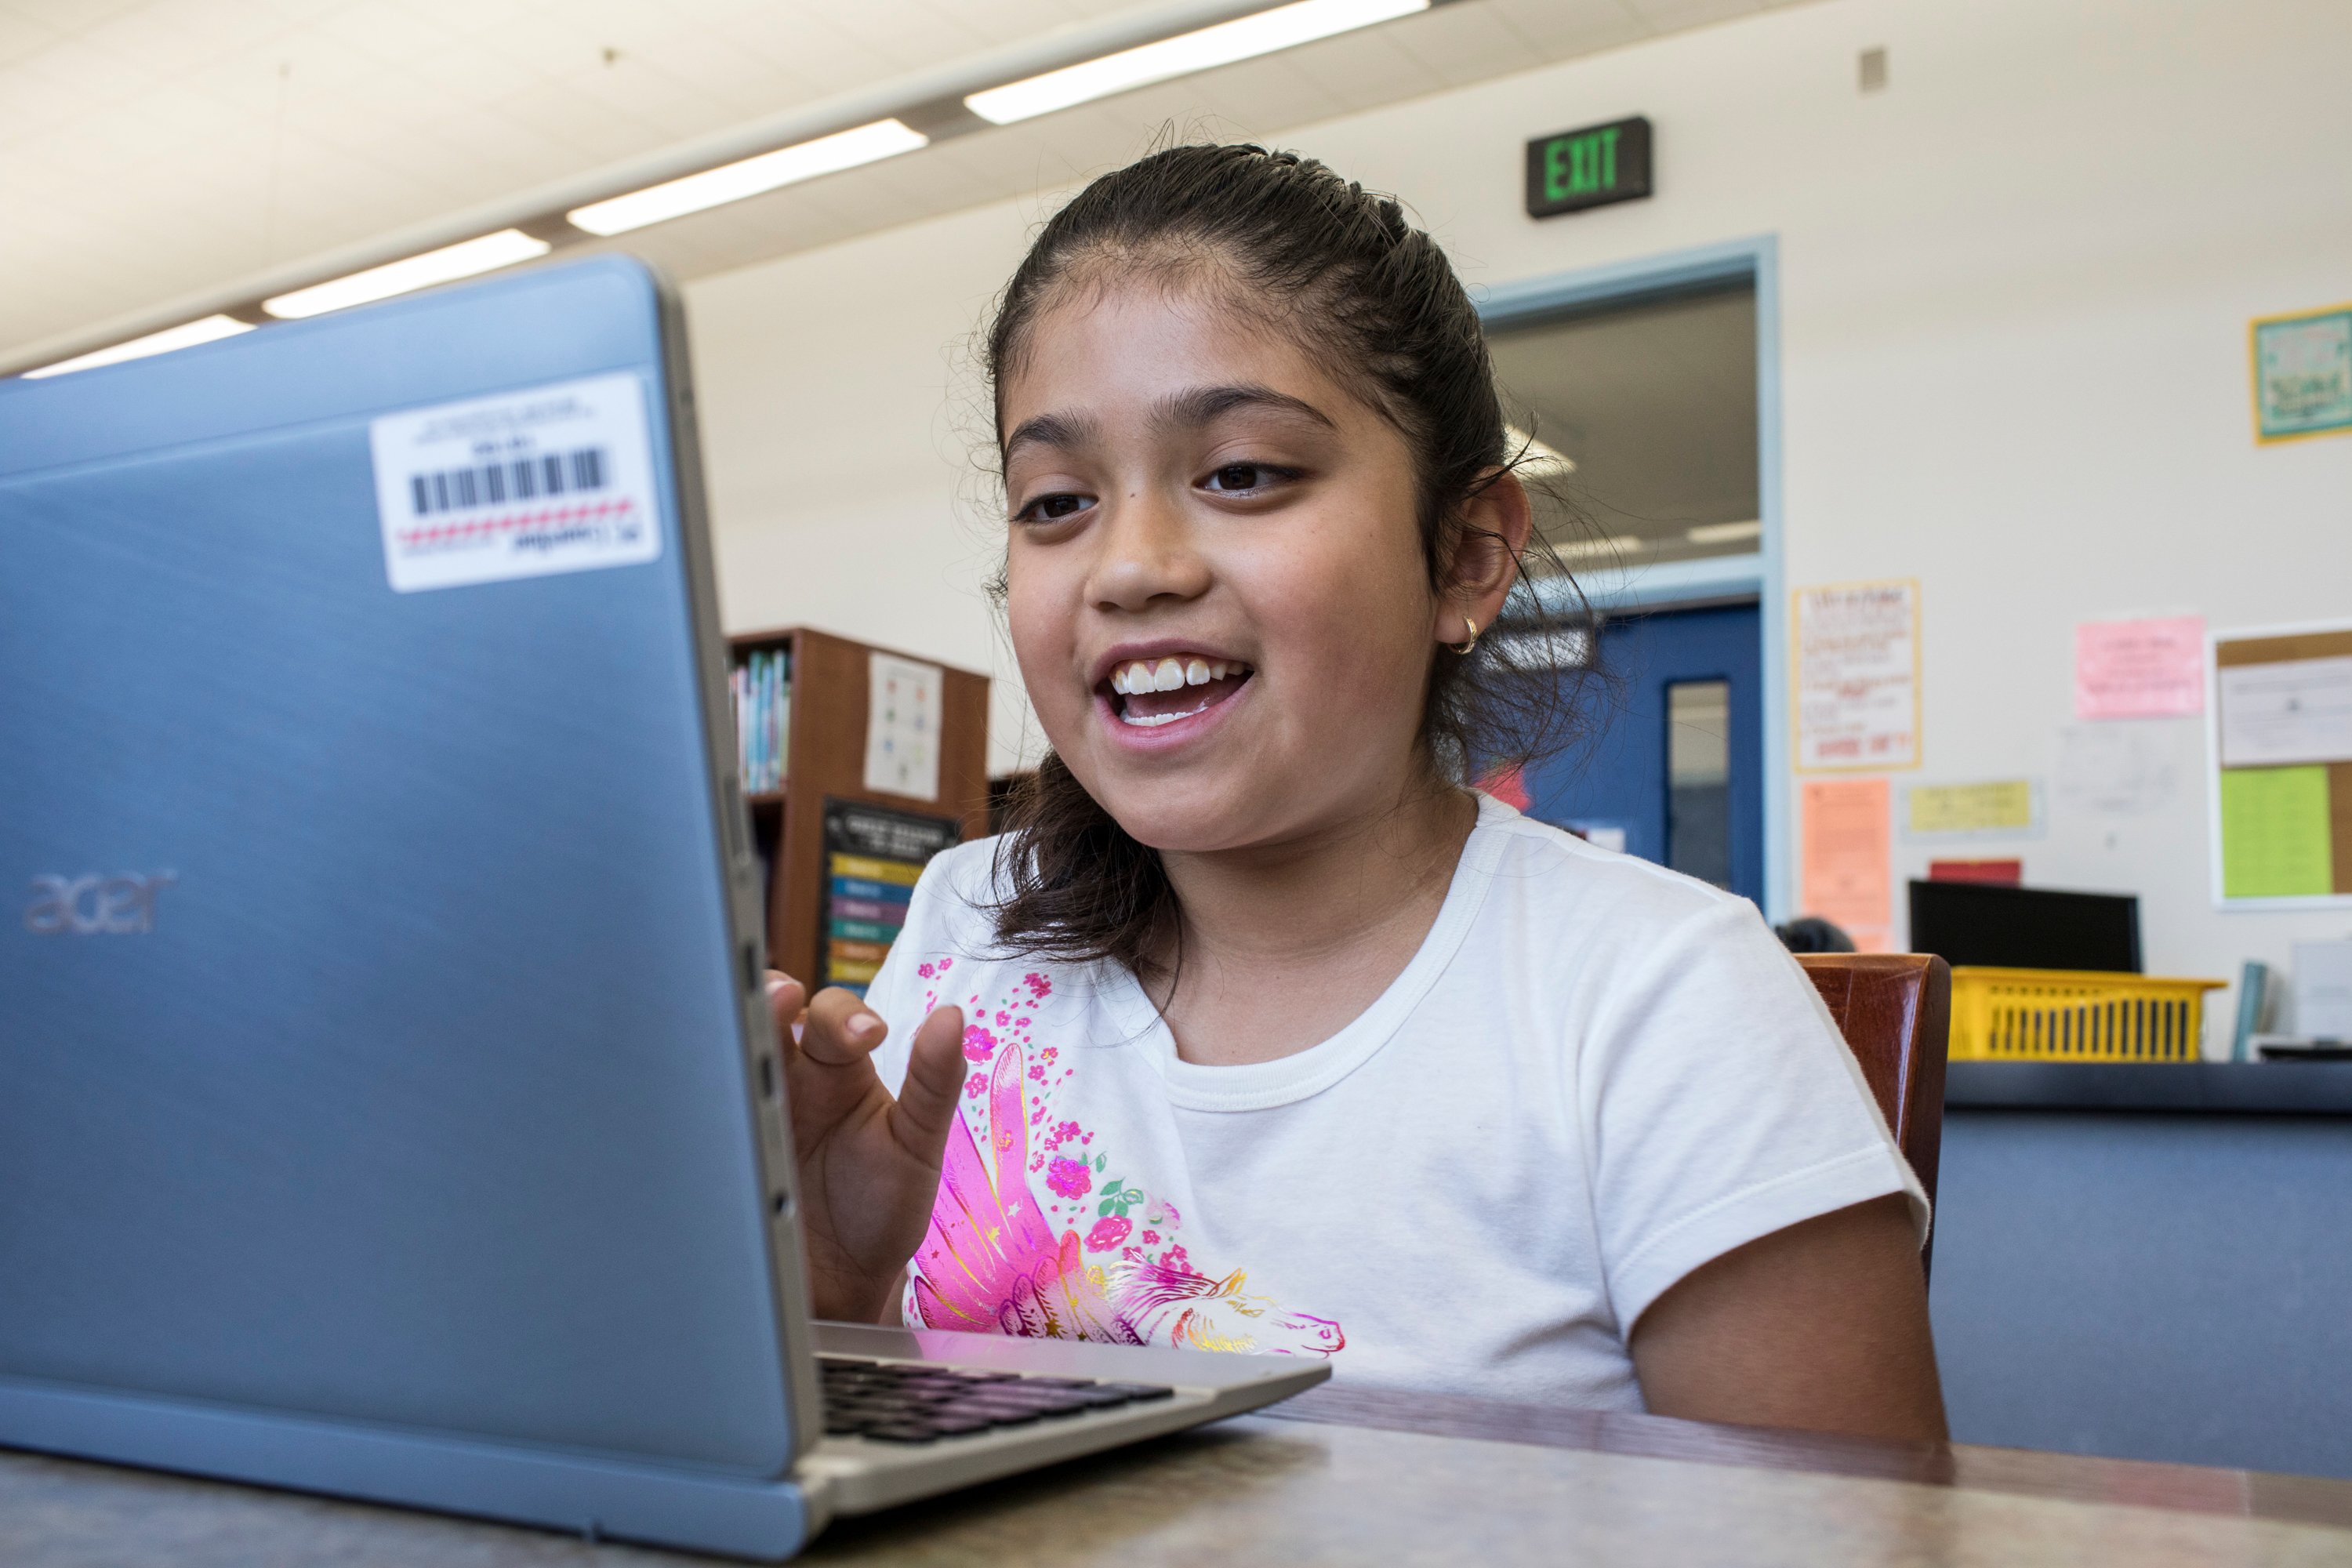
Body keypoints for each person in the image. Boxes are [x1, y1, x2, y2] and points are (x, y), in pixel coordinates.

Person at [764, 144, 1945, 1441]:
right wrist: (833, 1294)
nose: (1132, 566)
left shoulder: (1661, 1005)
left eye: (1243, 474)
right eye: (1056, 500)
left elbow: (1853, 1538)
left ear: (1466, 555)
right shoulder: (971, 922)